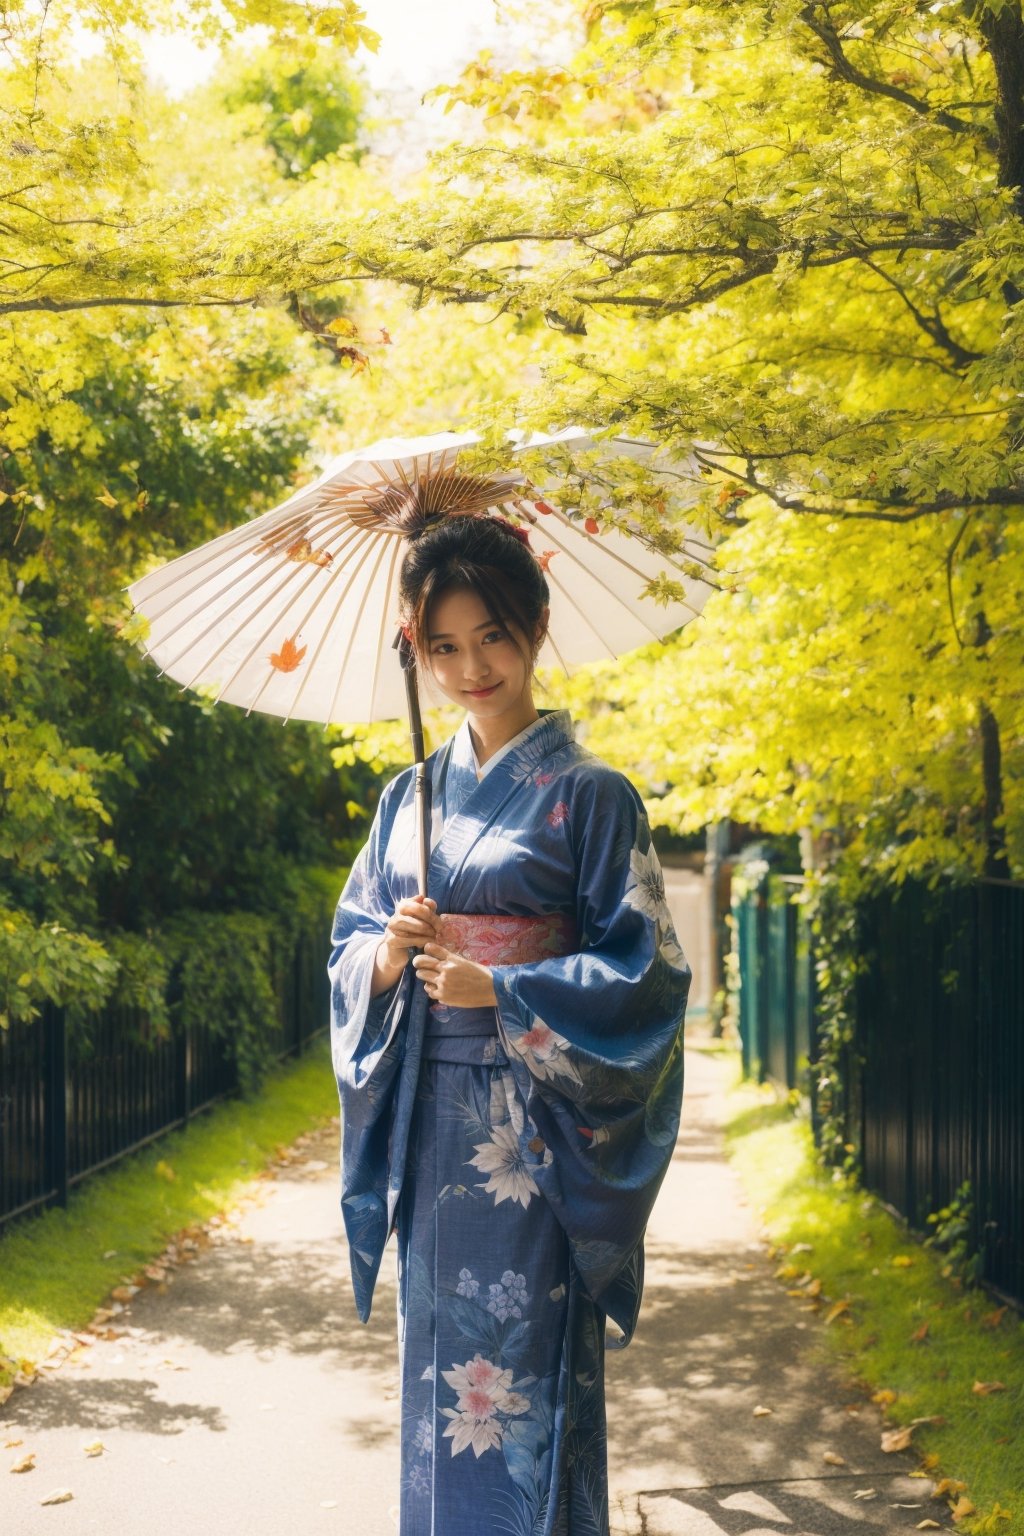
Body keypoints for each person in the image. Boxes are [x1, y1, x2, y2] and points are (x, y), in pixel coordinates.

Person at [328, 511, 690, 1536]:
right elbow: (348, 946)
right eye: (441, 645)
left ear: (533, 625)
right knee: (440, 1374)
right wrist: (389, 954)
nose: (469, 665)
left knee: (523, 1375)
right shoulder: (408, 797)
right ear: (417, 650)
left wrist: (509, 992)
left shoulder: (593, 797)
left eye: (490, 634)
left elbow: (648, 974)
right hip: (432, 1125)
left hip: (534, 1134)